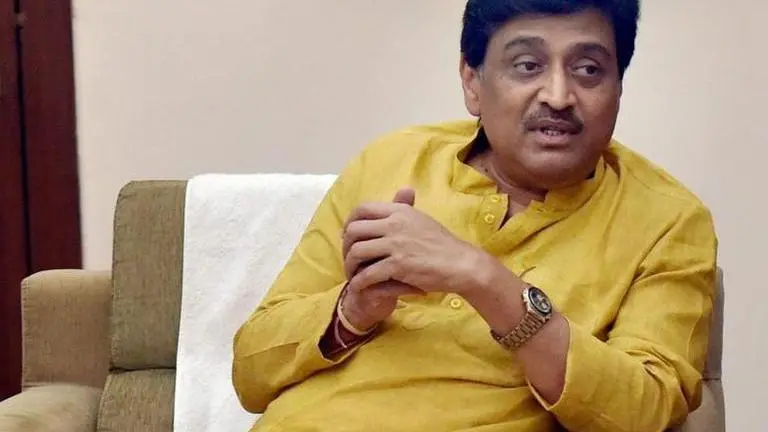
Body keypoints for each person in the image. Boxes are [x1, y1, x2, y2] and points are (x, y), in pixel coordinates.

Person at [232, 1, 718, 431]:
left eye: (588, 70)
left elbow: (646, 412)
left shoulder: (667, 219)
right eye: (527, 66)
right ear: (472, 81)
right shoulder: (392, 161)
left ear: (618, 87)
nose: (558, 95)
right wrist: (350, 311)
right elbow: (251, 371)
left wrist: (484, 280)